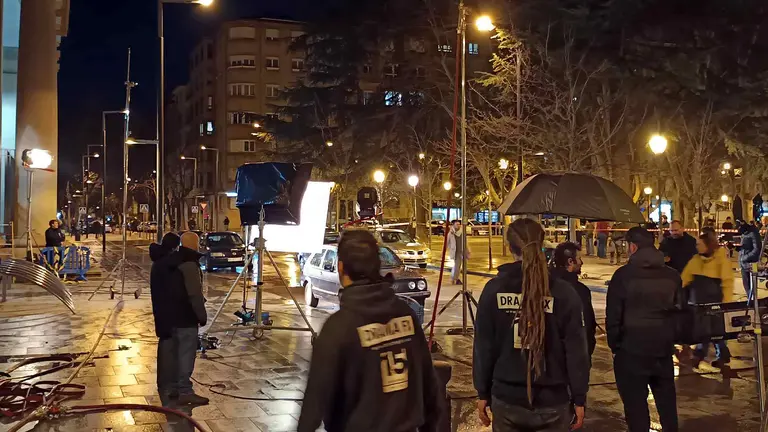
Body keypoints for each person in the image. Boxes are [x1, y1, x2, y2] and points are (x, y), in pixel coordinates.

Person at [297, 230, 441, 432]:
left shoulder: (338, 328)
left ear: (341, 267)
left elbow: (314, 403)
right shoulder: (406, 315)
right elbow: (430, 388)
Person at [474, 218, 589, 432]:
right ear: (542, 244)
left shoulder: (494, 290)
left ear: (510, 247)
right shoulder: (564, 293)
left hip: (508, 399)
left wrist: (482, 392)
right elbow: (576, 351)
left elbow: (484, 347)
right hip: (552, 402)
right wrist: (579, 397)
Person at [606, 227, 680, 432]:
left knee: (636, 410)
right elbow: (679, 311)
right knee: (667, 407)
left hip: (631, 350)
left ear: (632, 246)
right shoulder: (672, 275)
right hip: (662, 351)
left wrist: (616, 345)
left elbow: (613, 316)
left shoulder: (622, 276)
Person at [155, 231, 209, 406]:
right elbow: (194, 294)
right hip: (186, 318)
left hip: (170, 318)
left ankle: (173, 389)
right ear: (194, 245)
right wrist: (202, 316)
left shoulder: (170, 262)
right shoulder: (189, 264)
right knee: (186, 355)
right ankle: (185, 391)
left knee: (174, 355)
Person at [681, 230, 733, 368]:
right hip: (698, 302)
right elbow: (684, 278)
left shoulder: (721, 260)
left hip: (715, 302)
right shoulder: (695, 260)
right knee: (702, 330)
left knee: (717, 331)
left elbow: (727, 282)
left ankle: (721, 355)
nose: (697, 246)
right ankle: (699, 355)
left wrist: (725, 303)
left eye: (699, 244)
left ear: (708, 245)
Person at [551, 242, 597, 358]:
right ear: (570, 262)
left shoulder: (544, 286)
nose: (581, 262)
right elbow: (587, 326)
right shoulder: (579, 291)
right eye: (579, 258)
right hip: (573, 357)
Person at [738, 222, 762, 299]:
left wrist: (744, 258)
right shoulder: (745, 234)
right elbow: (745, 248)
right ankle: (751, 301)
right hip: (743, 264)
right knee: (746, 285)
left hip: (752, 264)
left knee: (752, 285)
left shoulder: (753, 233)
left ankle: (753, 302)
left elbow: (757, 249)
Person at [447, 219, 471, 285]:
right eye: (457, 224)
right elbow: (447, 243)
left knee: (462, 266)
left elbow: (466, 242)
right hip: (456, 252)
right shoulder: (451, 233)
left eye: (459, 224)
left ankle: (455, 278)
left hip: (463, 251)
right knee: (457, 265)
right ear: (453, 225)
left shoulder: (462, 233)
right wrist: (448, 249)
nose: (458, 225)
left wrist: (468, 252)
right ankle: (455, 279)